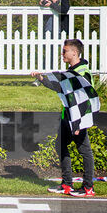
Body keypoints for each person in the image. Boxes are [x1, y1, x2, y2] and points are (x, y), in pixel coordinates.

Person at [30, 39, 98, 197]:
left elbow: (86, 99)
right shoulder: (70, 72)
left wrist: (79, 123)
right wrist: (41, 78)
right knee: (60, 146)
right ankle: (67, 184)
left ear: (75, 52)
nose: (62, 54)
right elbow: (59, 88)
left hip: (78, 119)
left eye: (65, 51)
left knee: (84, 151)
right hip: (66, 116)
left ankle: (88, 187)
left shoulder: (83, 73)